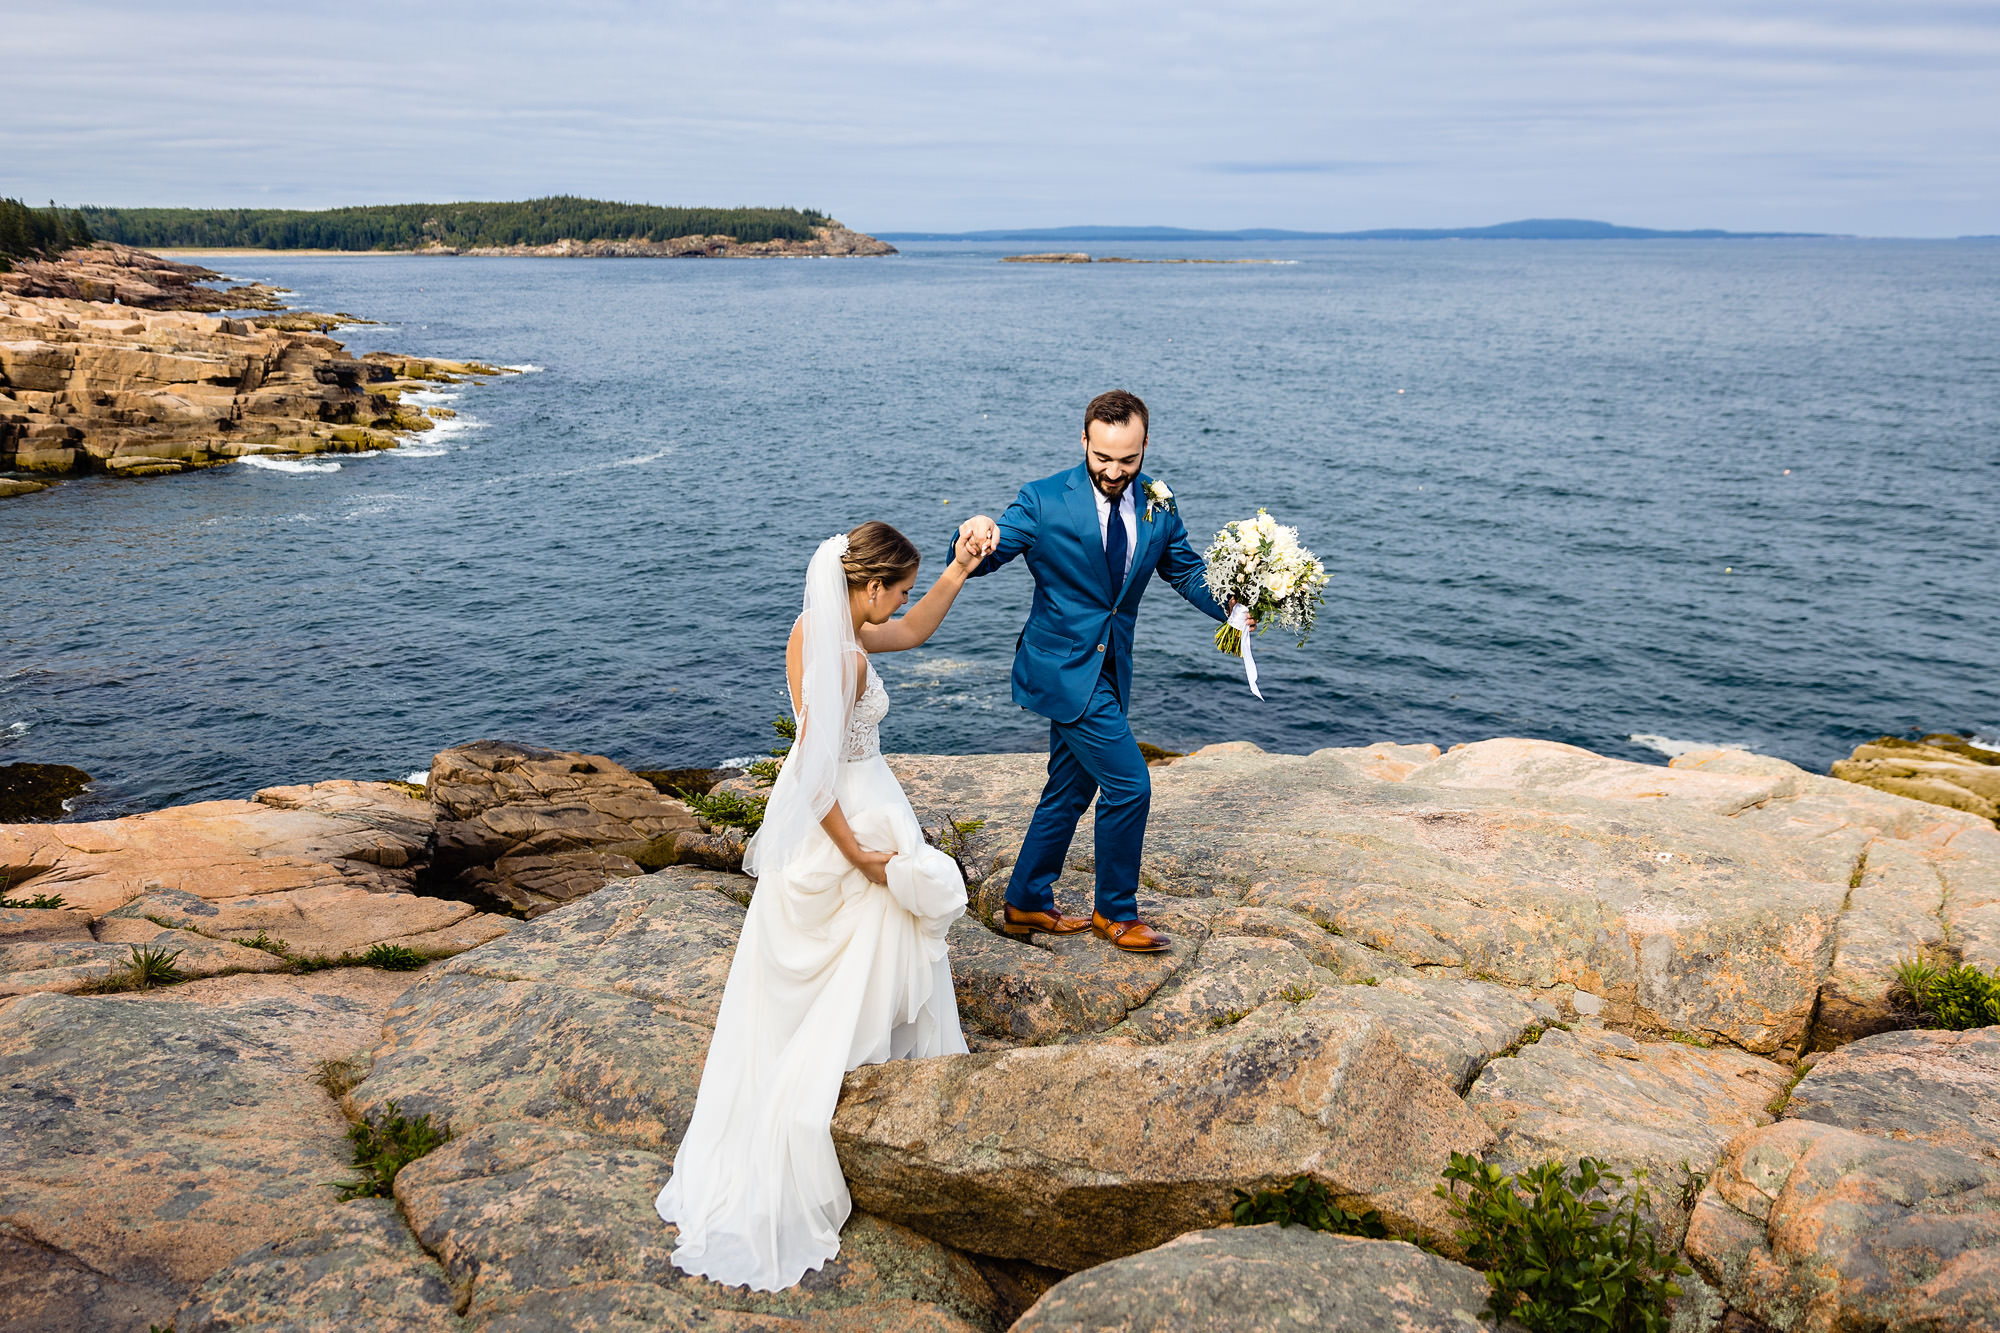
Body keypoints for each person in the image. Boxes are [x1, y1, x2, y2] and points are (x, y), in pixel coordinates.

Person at [655, 519, 994, 1292]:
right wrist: (858, 855)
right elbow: (814, 774)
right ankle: (855, 1091)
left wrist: (957, 571)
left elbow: (909, 629)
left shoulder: (817, 625)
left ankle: (853, 1073)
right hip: (850, 822)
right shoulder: (842, 654)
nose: (903, 602)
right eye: (899, 588)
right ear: (869, 586)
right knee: (876, 943)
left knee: (815, 982)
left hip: (847, 808)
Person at [950, 389, 1244, 954]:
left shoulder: (1159, 502)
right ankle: (1116, 912)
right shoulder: (1041, 500)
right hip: (1061, 670)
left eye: (1127, 460)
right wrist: (974, 537)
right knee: (1131, 784)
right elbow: (991, 549)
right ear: (1084, 441)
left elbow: (1183, 570)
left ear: (1144, 447)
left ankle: (1026, 902)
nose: (1113, 471)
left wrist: (1235, 604)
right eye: (1102, 457)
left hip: (1111, 670)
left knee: (1069, 787)